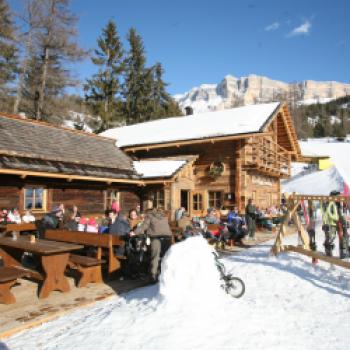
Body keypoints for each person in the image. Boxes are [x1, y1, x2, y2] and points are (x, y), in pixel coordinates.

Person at [135, 208, 172, 283]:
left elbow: (144, 226)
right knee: (166, 257)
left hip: (156, 238)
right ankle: (168, 275)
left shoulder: (149, 216)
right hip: (168, 238)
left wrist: (134, 232)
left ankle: (153, 276)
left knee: (155, 256)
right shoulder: (163, 216)